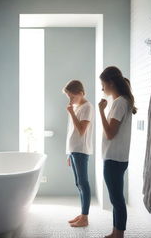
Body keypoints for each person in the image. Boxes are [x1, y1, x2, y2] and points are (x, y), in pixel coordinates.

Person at [98, 66, 137, 238]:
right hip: (116, 158)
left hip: (113, 158)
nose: (102, 88)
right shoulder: (121, 102)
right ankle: (115, 232)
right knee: (116, 198)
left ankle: (119, 234)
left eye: (103, 84)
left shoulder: (120, 102)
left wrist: (100, 111)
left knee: (116, 200)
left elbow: (110, 133)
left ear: (110, 83)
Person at [63, 80, 94, 227]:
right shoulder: (78, 106)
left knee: (83, 183)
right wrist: (69, 152)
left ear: (80, 93)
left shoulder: (87, 107)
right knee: (78, 183)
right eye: (68, 97)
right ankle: (83, 214)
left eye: (72, 96)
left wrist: (71, 112)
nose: (70, 100)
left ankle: (85, 217)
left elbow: (81, 130)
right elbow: (72, 131)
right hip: (74, 150)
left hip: (81, 150)